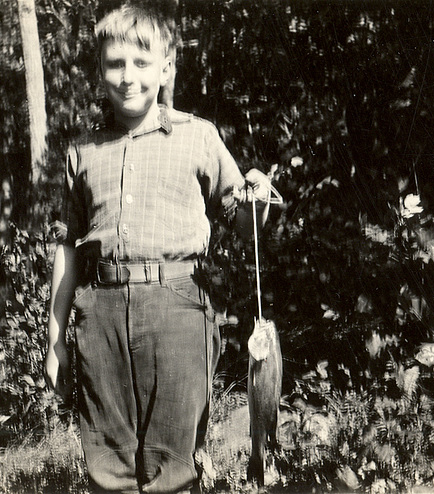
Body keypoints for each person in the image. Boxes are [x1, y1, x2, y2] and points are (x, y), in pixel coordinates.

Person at [44, 4, 273, 493]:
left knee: (174, 464)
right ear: (100, 72)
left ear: (166, 68)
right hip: (100, 312)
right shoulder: (83, 151)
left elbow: (243, 218)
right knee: (107, 462)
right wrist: (56, 338)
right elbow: (66, 247)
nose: (128, 78)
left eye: (142, 63)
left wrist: (256, 196)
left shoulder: (199, 137)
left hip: (177, 308)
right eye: (115, 64)